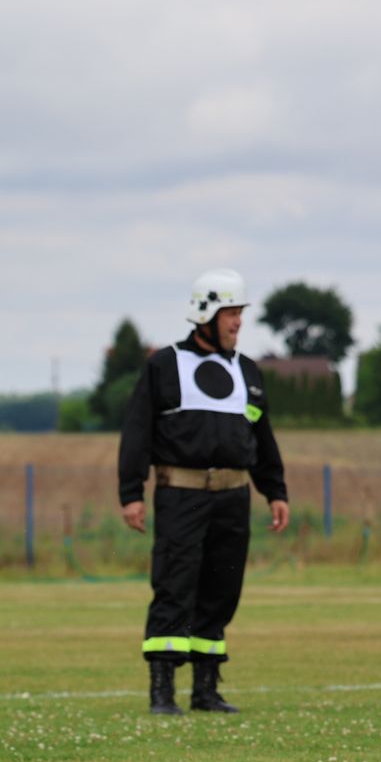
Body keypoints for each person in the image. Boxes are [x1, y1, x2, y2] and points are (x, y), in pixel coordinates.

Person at [117, 268, 289, 716]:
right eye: (231, 312)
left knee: (222, 588)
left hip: (233, 497)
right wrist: (131, 492)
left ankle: (206, 690)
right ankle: (162, 691)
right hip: (181, 495)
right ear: (206, 314)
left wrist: (275, 490)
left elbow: (262, 437)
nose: (238, 322)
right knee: (175, 586)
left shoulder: (248, 372)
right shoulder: (164, 365)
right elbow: (137, 431)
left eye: (240, 313)